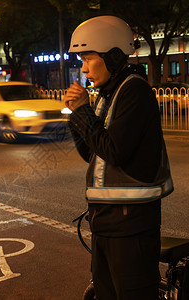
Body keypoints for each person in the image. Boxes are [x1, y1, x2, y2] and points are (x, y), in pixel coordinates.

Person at [64, 15, 174, 299]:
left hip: (132, 227)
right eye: (81, 61)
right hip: (106, 223)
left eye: (88, 59)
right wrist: (77, 115)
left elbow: (115, 151)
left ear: (113, 57)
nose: (84, 68)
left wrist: (83, 112)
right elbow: (93, 151)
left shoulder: (134, 91)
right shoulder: (107, 94)